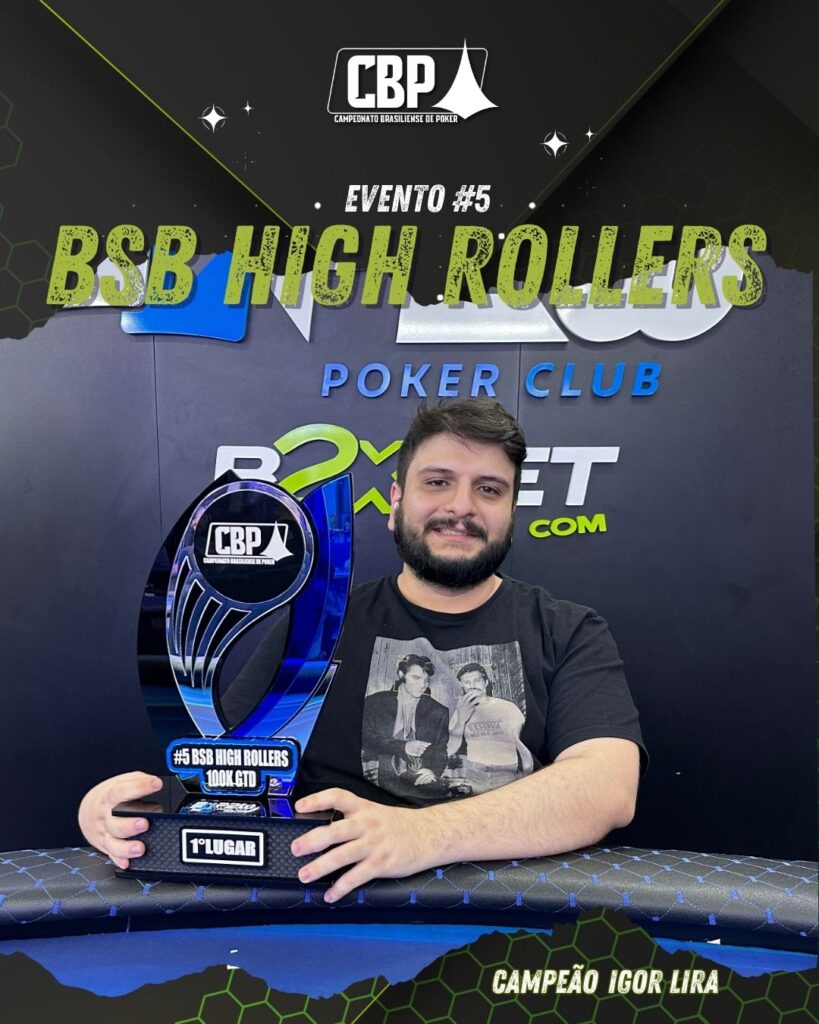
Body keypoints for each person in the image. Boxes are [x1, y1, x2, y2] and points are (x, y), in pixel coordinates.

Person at [79, 398, 644, 903]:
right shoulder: (315, 626)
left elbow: (607, 789)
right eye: (437, 482)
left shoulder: (567, 630)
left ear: (512, 511)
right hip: (335, 908)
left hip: (508, 915)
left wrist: (421, 834)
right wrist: (120, 814)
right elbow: (221, 773)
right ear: (396, 501)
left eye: (489, 489)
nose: (462, 506)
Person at [361, 653, 449, 800]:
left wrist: (432, 771)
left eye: (426, 680)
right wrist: (404, 747)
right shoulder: (375, 702)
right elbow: (366, 739)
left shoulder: (439, 711)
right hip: (383, 785)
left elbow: (441, 750)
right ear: (402, 675)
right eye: (416, 678)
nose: (422, 685)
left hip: (423, 785)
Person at [446, 661, 533, 794]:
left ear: (486, 682)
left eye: (477, 680)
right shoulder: (459, 711)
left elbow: (521, 743)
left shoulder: (507, 707)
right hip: (474, 772)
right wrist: (461, 719)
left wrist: (527, 772)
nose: (472, 685)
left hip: (504, 772)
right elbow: (451, 747)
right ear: (462, 685)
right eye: (467, 682)